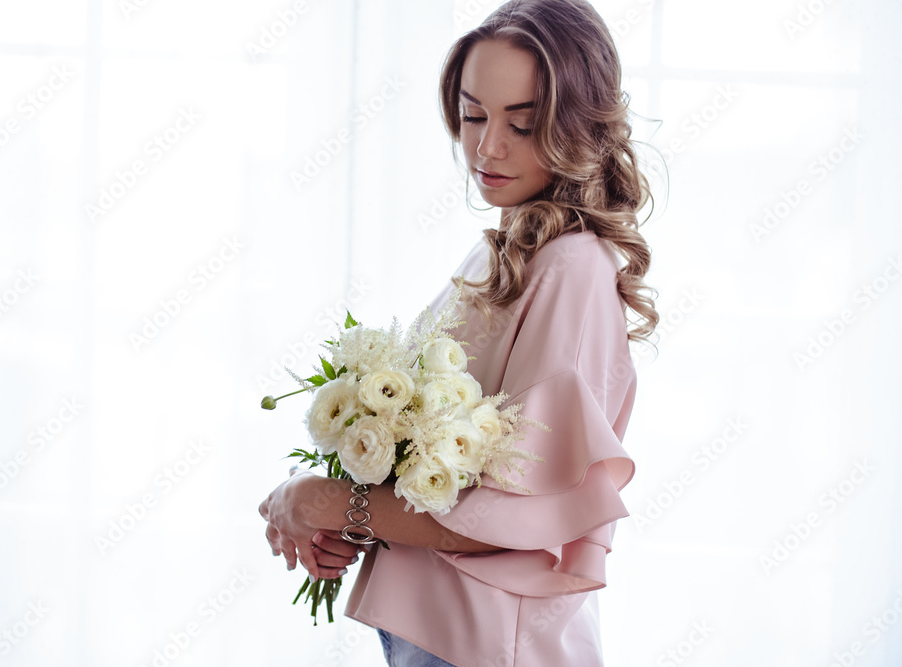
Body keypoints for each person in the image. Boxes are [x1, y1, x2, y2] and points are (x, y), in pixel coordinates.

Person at [259, 0, 660, 664]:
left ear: (578, 128)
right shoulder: (507, 248)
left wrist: (328, 500)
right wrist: (345, 513)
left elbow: (518, 515)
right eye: (473, 115)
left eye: (522, 124)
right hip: (444, 634)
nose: (487, 146)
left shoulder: (572, 267)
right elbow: (443, 475)